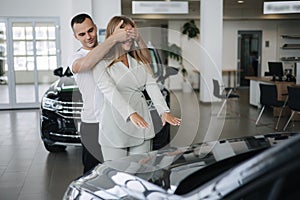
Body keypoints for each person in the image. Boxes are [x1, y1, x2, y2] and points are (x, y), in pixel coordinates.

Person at [92, 15, 181, 161]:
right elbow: (109, 90)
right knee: (116, 175)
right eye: (123, 33)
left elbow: (151, 85)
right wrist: (131, 113)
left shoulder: (138, 61)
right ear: (113, 36)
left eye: (130, 33)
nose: (128, 37)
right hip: (115, 126)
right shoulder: (101, 63)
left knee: (141, 172)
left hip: (142, 124)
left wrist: (164, 111)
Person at [68, 13, 135, 174]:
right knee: (92, 172)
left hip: (117, 120)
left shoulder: (113, 53)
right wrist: (113, 38)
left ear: (96, 28)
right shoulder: (76, 57)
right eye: (82, 34)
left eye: (90, 30)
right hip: (93, 124)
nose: (88, 37)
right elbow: (86, 63)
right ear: (75, 36)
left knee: (120, 169)